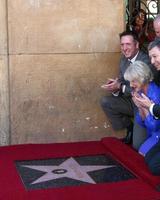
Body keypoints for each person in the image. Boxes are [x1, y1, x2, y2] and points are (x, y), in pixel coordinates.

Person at [100, 30, 151, 150]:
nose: (124, 48)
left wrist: (121, 87)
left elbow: (142, 90)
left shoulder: (146, 60)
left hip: (143, 105)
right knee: (105, 101)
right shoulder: (123, 59)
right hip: (129, 101)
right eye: (122, 45)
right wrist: (115, 86)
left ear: (137, 45)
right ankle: (130, 127)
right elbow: (122, 80)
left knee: (137, 145)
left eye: (128, 44)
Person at [124, 60, 160, 176]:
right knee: (141, 152)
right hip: (151, 133)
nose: (130, 85)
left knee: (144, 154)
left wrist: (145, 108)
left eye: (133, 81)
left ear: (142, 78)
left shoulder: (155, 94)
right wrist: (140, 107)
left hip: (157, 133)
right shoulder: (140, 92)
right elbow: (142, 123)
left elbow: (155, 126)